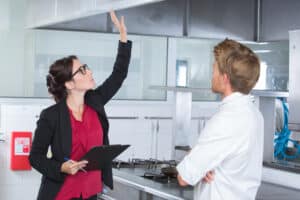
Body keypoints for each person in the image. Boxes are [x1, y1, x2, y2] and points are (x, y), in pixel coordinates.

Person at [29, 11, 132, 200]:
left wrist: (123, 38)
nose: (89, 71)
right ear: (69, 84)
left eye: (86, 67)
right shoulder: (51, 116)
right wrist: (61, 166)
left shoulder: (95, 101)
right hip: (62, 194)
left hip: (92, 192)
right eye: (82, 70)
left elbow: (119, 75)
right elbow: (35, 157)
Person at [176, 39, 263, 200]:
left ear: (225, 78)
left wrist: (197, 161)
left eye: (214, 69)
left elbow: (184, 177)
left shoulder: (226, 120)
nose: (211, 75)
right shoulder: (254, 114)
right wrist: (202, 166)